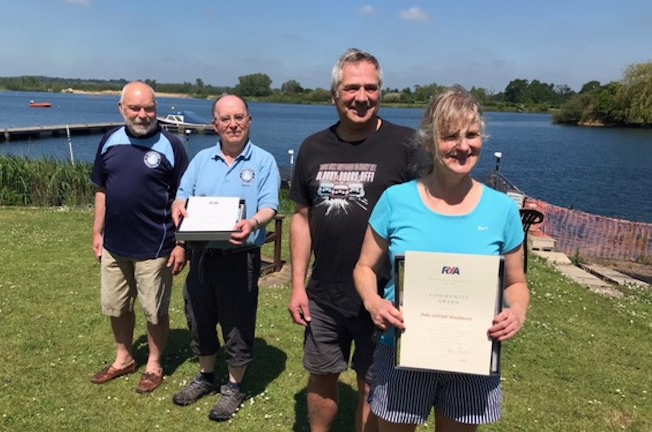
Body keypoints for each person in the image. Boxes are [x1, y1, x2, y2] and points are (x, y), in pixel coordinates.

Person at [353, 86, 531, 432]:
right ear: (430, 142)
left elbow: (516, 281)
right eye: (450, 136)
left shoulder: (502, 210)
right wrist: (373, 301)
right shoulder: (396, 200)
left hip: (473, 355)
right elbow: (363, 267)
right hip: (401, 349)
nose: (463, 146)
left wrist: (517, 311)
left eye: (472, 134)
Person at [287, 48, 426, 432]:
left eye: (370, 88)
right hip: (324, 294)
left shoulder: (408, 145)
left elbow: (428, 212)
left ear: (381, 92)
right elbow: (301, 219)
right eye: (351, 88)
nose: (361, 97)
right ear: (334, 93)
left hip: (383, 296)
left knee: (373, 384)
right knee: (321, 376)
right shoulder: (313, 147)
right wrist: (298, 285)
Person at [170, 94, 280, 422]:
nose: (233, 124)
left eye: (239, 117)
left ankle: (233, 386)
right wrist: (178, 205)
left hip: (240, 256)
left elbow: (270, 205)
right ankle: (205, 376)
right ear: (215, 124)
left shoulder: (263, 161)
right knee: (199, 316)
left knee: (236, 322)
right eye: (225, 119)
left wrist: (254, 223)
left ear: (249, 120)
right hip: (202, 254)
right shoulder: (202, 159)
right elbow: (182, 195)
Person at [89, 81, 188, 394]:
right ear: (121, 109)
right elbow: (102, 189)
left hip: (155, 246)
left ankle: (154, 364)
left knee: (154, 310)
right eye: (135, 108)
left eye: (149, 108)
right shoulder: (109, 141)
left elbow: (183, 199)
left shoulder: (172, 146)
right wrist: (97, 231)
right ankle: (124, 358)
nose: (143, 115)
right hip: (115, 245)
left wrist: (181, 243)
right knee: (116, 306)